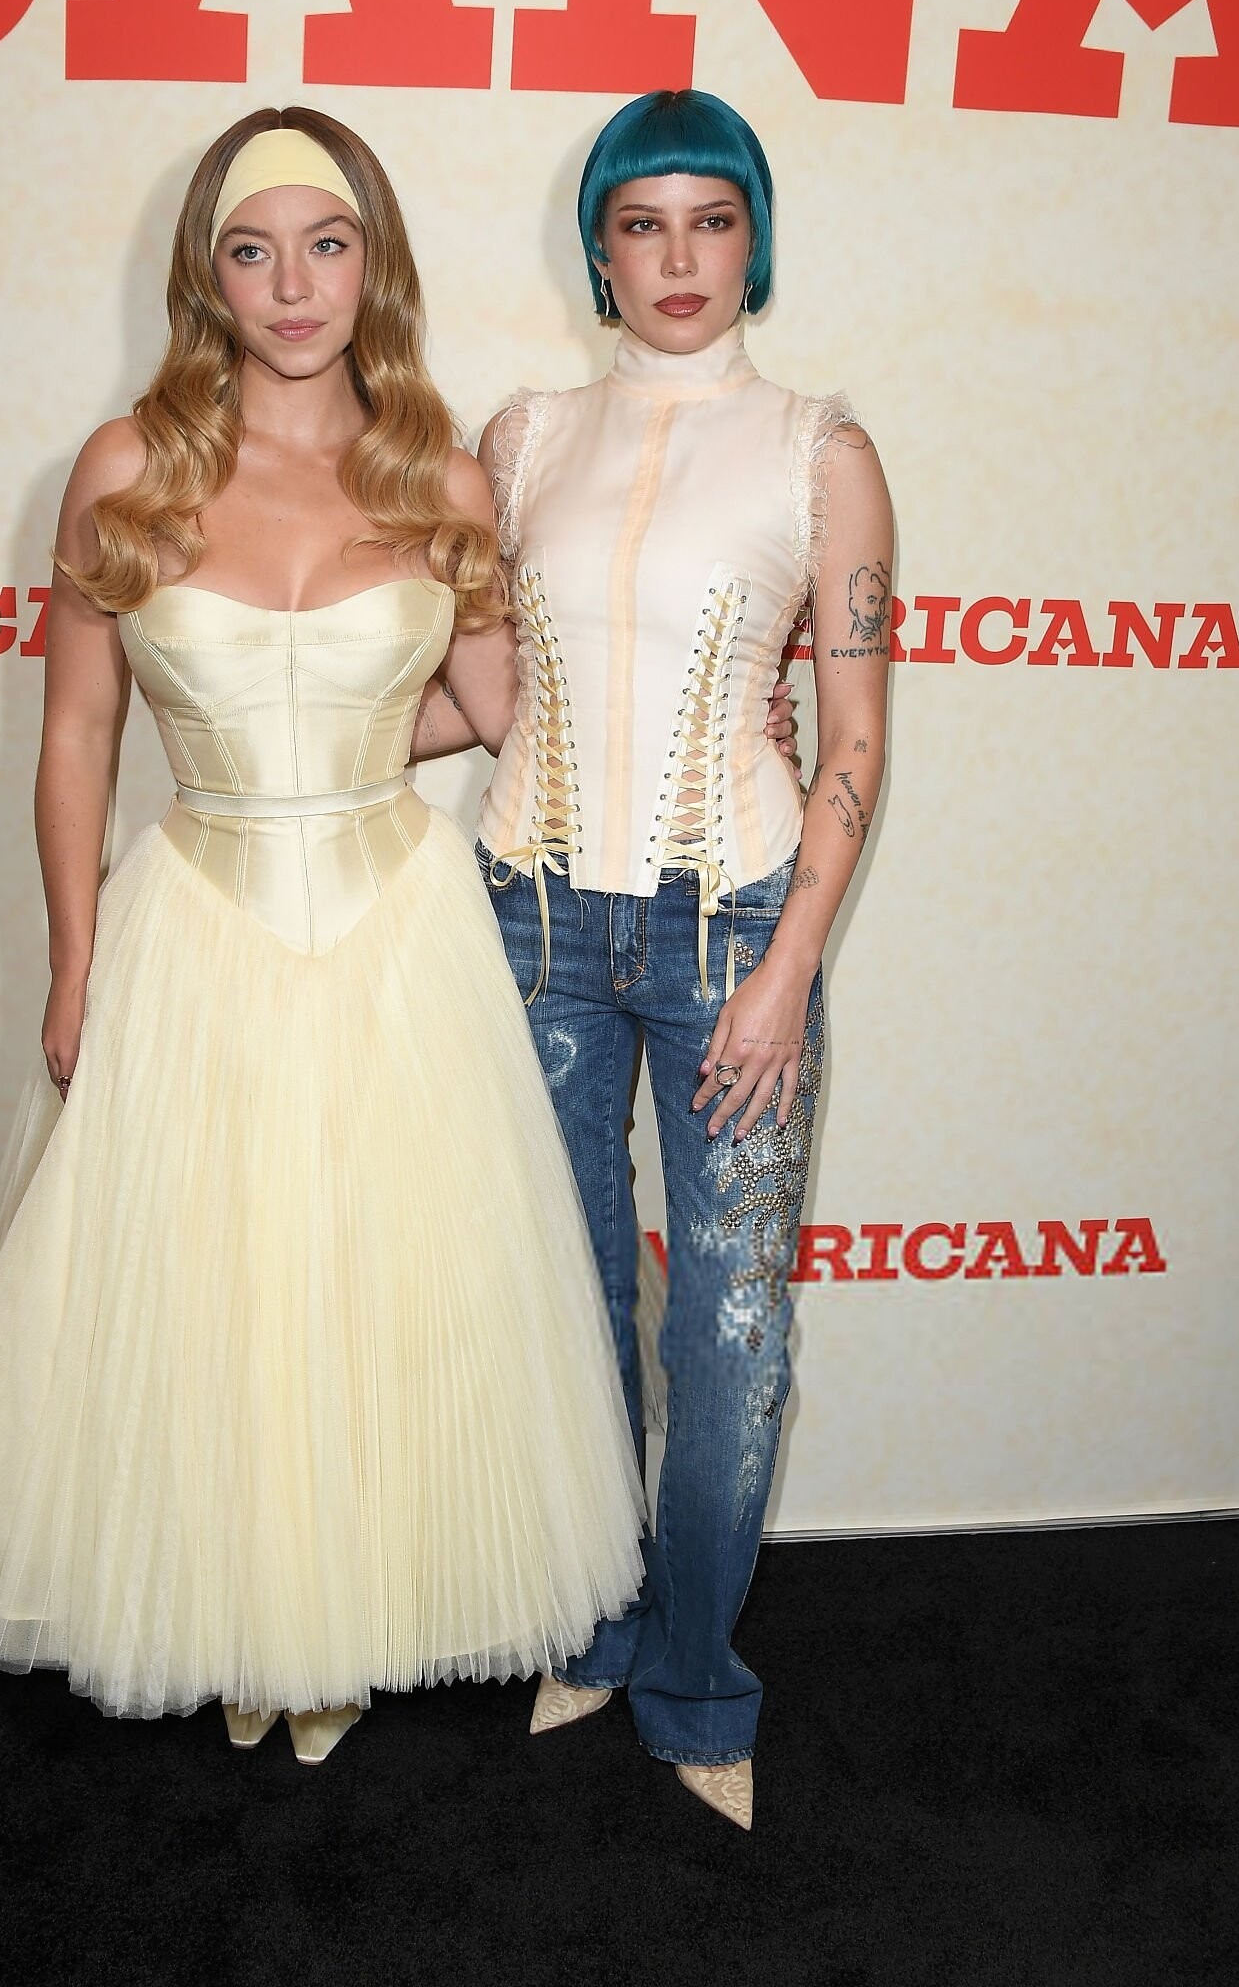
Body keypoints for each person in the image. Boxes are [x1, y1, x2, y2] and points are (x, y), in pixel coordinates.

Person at [0, 107, 647, 1764]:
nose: (292, 286)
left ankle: (347, 1628)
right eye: (253, 250)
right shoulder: (125, 468)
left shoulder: (437, 478)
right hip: (199, 921)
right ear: (207, 277)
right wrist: (72, 962)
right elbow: (77, 734)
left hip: (396, 931)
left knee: (383, 1289)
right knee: (215, 1292)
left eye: (326, 245)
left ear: (373, 266)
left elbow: (500, 709)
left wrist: (716, 706)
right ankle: (243, 1615)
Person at [474, 90, 894, 1829]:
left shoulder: (822, 450)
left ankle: (700, 1679)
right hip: (533, 921)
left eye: (709, 221)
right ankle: (592, 1622)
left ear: (754, 242)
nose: (676, 257)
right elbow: (476, 680)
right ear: (599, 249)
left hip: (738, 928)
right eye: (640, 223)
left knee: (728, 1334)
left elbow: (856, 738)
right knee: (567, 1309)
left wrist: (790, 967)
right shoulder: (518, 439)